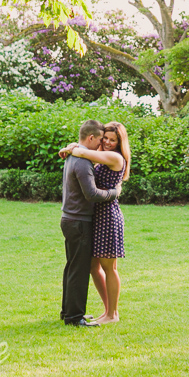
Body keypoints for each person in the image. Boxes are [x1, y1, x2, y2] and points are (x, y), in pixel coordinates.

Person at [58, 121, 130, 324]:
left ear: (119, 142)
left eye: (111, 139)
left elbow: (83, 153)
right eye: (104, 138)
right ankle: (106, 311)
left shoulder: (113, 156)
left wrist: (73, 148)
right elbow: (83, 152)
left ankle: (112, 314)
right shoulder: (92, 154)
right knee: (90, 266)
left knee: (109, 267)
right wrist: (72, 147)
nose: (106, 142)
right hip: (94, 216)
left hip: (107, 215)